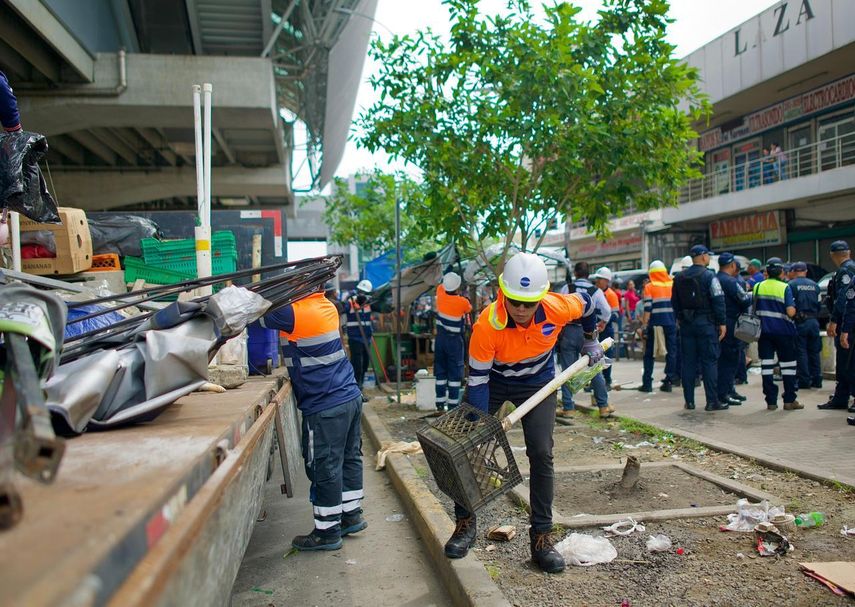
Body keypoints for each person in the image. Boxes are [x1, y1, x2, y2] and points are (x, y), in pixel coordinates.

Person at [447, 252, 603, 573]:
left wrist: (590, 338)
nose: (520, 309)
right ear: (504, 292)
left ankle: (541, 538)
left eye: (528, 303)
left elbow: (587, 303)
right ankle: (465, 523)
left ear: (542, 297)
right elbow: (477, 384)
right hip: (494, 381)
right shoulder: (487, 325)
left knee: (542, 452)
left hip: (539, 382)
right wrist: (481, 426)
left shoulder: (557, 307)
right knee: (465, 444)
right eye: (514, 301)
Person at [260, 287, 365, 551]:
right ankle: (350, 516)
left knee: (324, 465)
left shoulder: (294, 312)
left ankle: (327, 532)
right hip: (349, 395)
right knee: (349, 457)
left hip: (325, 404)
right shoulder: (327, 306)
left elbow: (256, 315)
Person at [671, 245, 727, 411]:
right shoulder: (709, 276)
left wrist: (680, 319)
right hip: (706, 325)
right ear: (703, 257)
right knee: (709, 362)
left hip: (687, 326)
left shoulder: (679, 278)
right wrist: (722, 322)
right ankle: (712, 402)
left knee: (688, 363)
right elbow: (718, 300)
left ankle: (689, 401)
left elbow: (674, 302)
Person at [557, 261, 613, 419]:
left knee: (568, 371)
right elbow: (607, 311)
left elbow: (559, 308)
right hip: (589, 333)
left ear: (575, 273)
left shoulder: (567, 288)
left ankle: (568, 408)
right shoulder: (595, 291)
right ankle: (603, 406)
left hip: (568, 332)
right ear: (589, 275)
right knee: (594, 369)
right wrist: (601, 323)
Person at [754, 258, 802, 411]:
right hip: (784, 333)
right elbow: (790, 311)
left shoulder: (757, 286)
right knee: (788, 367)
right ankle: (789, 400)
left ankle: (771, 401)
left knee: (767, 367)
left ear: (767, 272)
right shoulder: (784, 287)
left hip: (764, 332)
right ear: (782, 272)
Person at [819, 241, 855, 412]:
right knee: (845, 361)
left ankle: (844, 398)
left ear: (833, 255)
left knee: (846, 361)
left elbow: (843, 298)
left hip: (846, 322)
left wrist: (834, 320)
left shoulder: (845, 271)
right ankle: (841, 396)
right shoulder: (850, 268)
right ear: (848, 252)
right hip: (849, 320)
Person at [716, 253, 753, 405]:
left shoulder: (715, 279)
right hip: (731, 323)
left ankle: (729, 390)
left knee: (725, 359)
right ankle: (725, 392)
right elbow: (743, 299)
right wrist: (752, 294)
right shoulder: (730, 281)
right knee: (730, 359)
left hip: (719, 323)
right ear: (732, 266)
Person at [433, 272, 472, 411]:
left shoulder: (440, 296)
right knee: (455, 373)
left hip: (440, 340)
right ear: (458, 287)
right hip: (454, 342)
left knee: (440, 371)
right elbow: (469, 309)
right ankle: (452, 405)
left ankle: (439, 403)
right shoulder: (463, 302)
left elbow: (441, 287)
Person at [640, 260, 679, 393]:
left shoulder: (650, 287)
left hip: (655, 325)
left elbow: (647, 308)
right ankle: (668, 380)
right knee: (671, 352)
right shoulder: (673, 285)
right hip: (671, 323)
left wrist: (644, 326)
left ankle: (647, 383)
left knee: (649, 354)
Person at [788, 262, 823, 390]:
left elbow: (789, 305)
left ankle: (804, 380)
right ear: (806, 271)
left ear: (793, 271)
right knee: (814, 351)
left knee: (801, 351)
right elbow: (819, 305)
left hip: (800, 322)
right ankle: (817, 379)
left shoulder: (791, 285)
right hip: (814, 321)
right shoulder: (815, 285)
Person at [344, 280, 374, 391]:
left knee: (365, 362)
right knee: (357, 364)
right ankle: (355, 388)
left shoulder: (369, 302)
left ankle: (360, 385)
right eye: (360, 291)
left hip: (367, 337)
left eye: (364, 292)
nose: (362, 294)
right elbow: (343, 309)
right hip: (355, 337)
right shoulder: (350, 302)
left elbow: (381, 307)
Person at [593, 266, 618, 388]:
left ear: (607, 281)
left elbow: (615, 315)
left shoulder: (611, 295)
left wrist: (603, 323)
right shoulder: (595, 292)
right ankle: (596, 381)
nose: (597, 281)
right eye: (597, 279)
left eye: (600, 279)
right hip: (596, 328)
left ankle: (607, 380)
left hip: (606, 329)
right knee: (595, 356)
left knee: (607, 355)